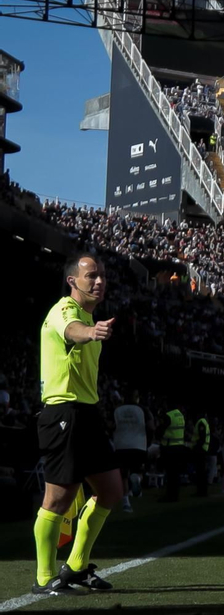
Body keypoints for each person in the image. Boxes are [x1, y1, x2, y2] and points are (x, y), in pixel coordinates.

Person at [29, 254, 123, 596]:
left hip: (87, 413)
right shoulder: (64, 311)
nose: (99, 281)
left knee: (111, 491)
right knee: (58, 496)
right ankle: (43, 577)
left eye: (102, 276)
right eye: (91, 276)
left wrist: (93, 327)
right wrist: (92, 331)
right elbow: (73, 332)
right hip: (62, 412)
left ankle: (77, 567)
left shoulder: (87, 314)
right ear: (73, 281)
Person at [111, 390, 148, 513]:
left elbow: (110, 425)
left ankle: (126, 503)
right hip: (138, 445)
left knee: (123, 476)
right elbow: (152, 426)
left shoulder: (117, 410)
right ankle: (136, 478)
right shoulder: (142, 410)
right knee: (138, 471)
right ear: (136, 398)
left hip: (121, 445)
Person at [160, 404, 188, 501]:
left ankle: (170, 496)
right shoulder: (180, 415)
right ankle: (175, 495)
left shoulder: (169, 415)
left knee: (171, 474)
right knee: (176, 474)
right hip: (179, 446)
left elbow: (161, 429)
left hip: (170, 447)